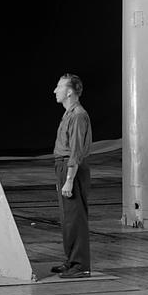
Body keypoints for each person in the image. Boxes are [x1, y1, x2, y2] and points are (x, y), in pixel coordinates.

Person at [51, 73, 92, 279]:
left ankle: (81, 265)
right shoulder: (69, 113)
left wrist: (69, 179)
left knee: (75, 218)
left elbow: (75, 151)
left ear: (69, 91)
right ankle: (71, 261)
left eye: (59, 87)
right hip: (64, 167)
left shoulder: (77, 115)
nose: (55, 90)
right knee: (68, 218)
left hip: (71, 169)